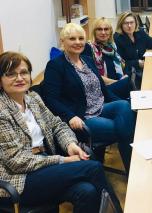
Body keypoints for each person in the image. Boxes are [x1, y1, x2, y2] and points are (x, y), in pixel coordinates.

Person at [0, 51, 122, 213]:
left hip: (43, 164)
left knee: (87, 191)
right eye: (11, 74)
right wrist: (62, 160)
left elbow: (57, 125)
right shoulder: (2, 111)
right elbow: (17, 162)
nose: (20, 78)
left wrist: (70, 144)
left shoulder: (33, 98)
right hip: (18, 179)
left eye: (23, 72)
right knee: (92, 168)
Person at [42, 23, 135, 174]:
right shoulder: (56, 65)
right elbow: (50, 99)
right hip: (83, 116)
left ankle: (133, 169)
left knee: (125, 106)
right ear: (62, 41)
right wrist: (70, 116)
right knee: (125, 129)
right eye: (72, 38)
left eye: (81, 38)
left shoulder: (87, 60)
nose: (78, 42)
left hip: (100, 106)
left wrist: (125, 102)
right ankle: (133, 171)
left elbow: (104, 91)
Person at [114, 11, 152, 89]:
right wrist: (137, 63)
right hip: (130, 74)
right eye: (126, 23)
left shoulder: (139, 32)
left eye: (131, 22)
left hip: (144, 68)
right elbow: (120, 63)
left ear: (135, 23)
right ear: (121, 25)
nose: (129, 26)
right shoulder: (117, 39)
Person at [82, 17, 132, 99]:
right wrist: (117, 82)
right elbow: (92, 75)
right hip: (102, 89)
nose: (103, 32)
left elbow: (121, 64)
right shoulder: (88, 48)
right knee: (130, 84)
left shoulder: (111, 46)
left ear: (110, 31)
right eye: (99, 29)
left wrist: (124, 77)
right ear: (94, 32)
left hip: (116, 84)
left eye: (106, 29)